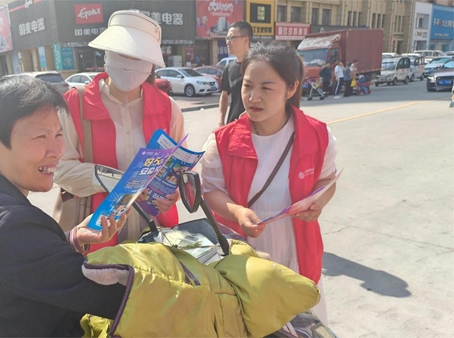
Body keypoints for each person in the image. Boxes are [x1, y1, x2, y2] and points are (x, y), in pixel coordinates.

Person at [0, 76, 130, 337]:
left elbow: (21, 264)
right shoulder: (8, 225)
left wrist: (73, 238)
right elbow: (114, 298)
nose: (57, 151)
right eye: (41, 136)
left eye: (59, 134)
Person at [200, 42, 338, 325]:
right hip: (244, 254)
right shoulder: (222, 141)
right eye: (248, 86)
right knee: (250, 322)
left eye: (266, 88)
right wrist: (237, 212)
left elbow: (327, 178)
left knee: (301, 322)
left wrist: (319, 202)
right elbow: (210, 190)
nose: (254, 97)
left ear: (291, 88)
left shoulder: (317, 135)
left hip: (297, 250)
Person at [53, 10, 185, 251]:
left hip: (154, 234)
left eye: (138, 57)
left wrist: (172, 192)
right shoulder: (74, 104)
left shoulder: (168, 108)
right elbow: (60, 169)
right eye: (122, 54)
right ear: (107, 54)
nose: (128, 65)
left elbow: (176, 168)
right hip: (95, 232)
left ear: (150, 63)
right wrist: (115, 180)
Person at [219, 21, 253, 126]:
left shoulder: (259, 66)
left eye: (231, 38)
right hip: (233, 124)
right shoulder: (229, 68)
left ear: (245, 39)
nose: (228, 42)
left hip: (254, 126)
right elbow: (224, 96)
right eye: (227, 38)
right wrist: (221, 121)